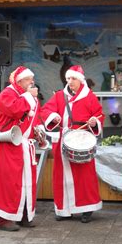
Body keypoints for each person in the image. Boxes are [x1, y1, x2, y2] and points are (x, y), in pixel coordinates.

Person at [0, 66, 43, 231]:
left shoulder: (29, 97)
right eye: (29, 79)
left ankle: (24, 215)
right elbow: (16, 110)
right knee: (9, 183)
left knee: (26, 183)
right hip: (9, 145)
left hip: (25, 145)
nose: (32, 82)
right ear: (20, 81)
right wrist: (30, 97)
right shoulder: (7, 95)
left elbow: (36, 118)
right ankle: (5, 219)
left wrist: (39, 132)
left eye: (32, 79)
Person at [41, 65, 104, 223]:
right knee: (61, 175)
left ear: (80, 80)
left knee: (84, 175)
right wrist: (54, 116)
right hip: (64, 138)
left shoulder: (89, 97)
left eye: (73, 78)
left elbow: (99, 114)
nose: (70, 81)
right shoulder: (59, 96)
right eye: (68, 78)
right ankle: (64, 209)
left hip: (82, 139)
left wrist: (94, 121)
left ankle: (86, 208)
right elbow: (46, 110)